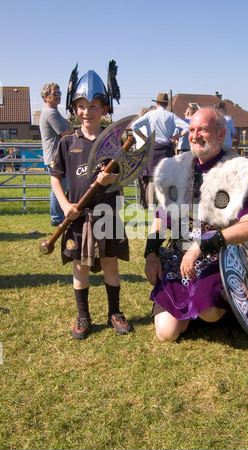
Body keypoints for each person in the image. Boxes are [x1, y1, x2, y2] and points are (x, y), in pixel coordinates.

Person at [144, 107, 248, 342]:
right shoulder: (175, 168)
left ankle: (216, 306)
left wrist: (202, 245)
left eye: (203, 129)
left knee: (210, 314)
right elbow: (162, 217)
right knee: (166, 333)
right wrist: (151, 253)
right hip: (179, 258)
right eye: (191, 130)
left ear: (221, 135)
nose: (195, 136)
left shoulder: (241, 173)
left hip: (221, 257)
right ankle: (190, 307)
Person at [50, 68, 132, 340]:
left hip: (107, 214)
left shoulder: (116, 142)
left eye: (93, 107)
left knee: (110, 263)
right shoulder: (67, 143)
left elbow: (125, 176)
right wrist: (64, 206)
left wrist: (112, 180)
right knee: (80, 266)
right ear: (74, 109)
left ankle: (114, 312)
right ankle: (83, 316)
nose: (87, 112)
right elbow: (56, 179)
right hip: (78, 215)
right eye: (81, 106)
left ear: (104, 109)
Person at [131, 93, 189, 207]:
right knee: (166, 179)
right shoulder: (171, 116)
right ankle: (165, 205)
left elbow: (134, 126)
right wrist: (177, 137)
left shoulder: (150, 114)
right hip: (166, 149)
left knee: (153, 180)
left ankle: (152, 207)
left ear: (157, 103)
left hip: (152, 148)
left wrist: (144, 138)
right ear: (167, 104)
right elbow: (187, 127)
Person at [39, 82, 73, 225]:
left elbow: (68, 127)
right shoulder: (51, 113)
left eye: (59, 93)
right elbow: (66, 133)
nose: (59, 96)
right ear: (46, 97)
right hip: (55, 157)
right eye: (55, 94)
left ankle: (58, 217)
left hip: (55, 156)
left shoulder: (52, 111)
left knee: (60, 187)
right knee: (59, 188)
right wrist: (69, 127)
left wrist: (69, 126)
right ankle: (57, 218)